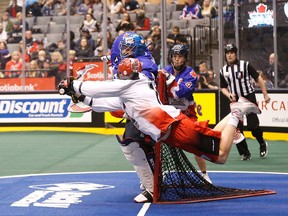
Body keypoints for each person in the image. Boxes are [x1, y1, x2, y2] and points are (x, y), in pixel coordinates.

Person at [58, 57, 261, 203]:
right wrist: (81, 96)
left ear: (126, 75)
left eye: (120, 74)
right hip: (172, 130)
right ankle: (234, 113)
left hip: (176, 129)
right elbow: (105, 102)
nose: (118, 77)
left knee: (220, 156)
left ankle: (236, 113)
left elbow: (102, 89)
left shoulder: (131, 85)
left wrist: (74, 85)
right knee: (215, 139)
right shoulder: (130, 91)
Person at [161, 44, 212, 183]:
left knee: (197, 142)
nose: (177, 59)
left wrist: (169, 82)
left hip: (187, 114)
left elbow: (180, 93)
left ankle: (204, 174)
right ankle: (158, 173)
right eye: (175, 56)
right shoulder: (165, 70)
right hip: (169, 116)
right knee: (156, 141)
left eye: (180, 56)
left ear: (185, 58)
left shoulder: (191, 74)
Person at [220, 44, 270, 160]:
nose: (229, 55)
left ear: (236, 53)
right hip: (235, 101)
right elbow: (223, 87)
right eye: (227, 53)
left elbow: (258, 78)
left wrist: (265, 94)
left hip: (249, 98)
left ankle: (262, 143)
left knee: (253, 126)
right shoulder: (223, 70)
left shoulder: (245, 65)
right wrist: (229, 94)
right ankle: (245, 153)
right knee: (236, 129)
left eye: (232, 52)